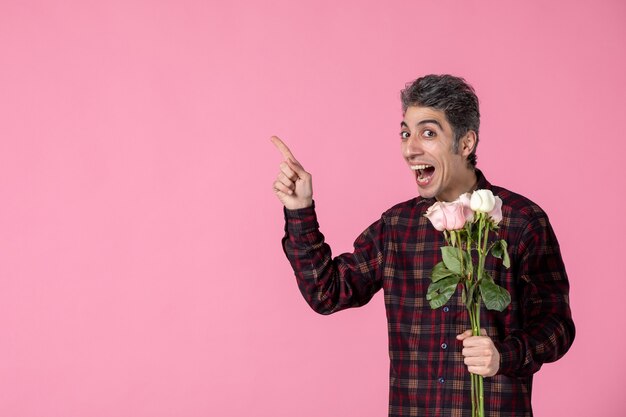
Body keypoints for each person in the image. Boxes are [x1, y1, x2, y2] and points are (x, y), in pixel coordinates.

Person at [271, 74, 574, 417]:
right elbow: (327, 292)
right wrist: (299, 210)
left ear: (465, 143)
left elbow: (557, 326)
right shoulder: (397, 227)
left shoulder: (521, 221)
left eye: (428, 133)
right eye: (405, 133)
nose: (410, 148)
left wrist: (506, 355)